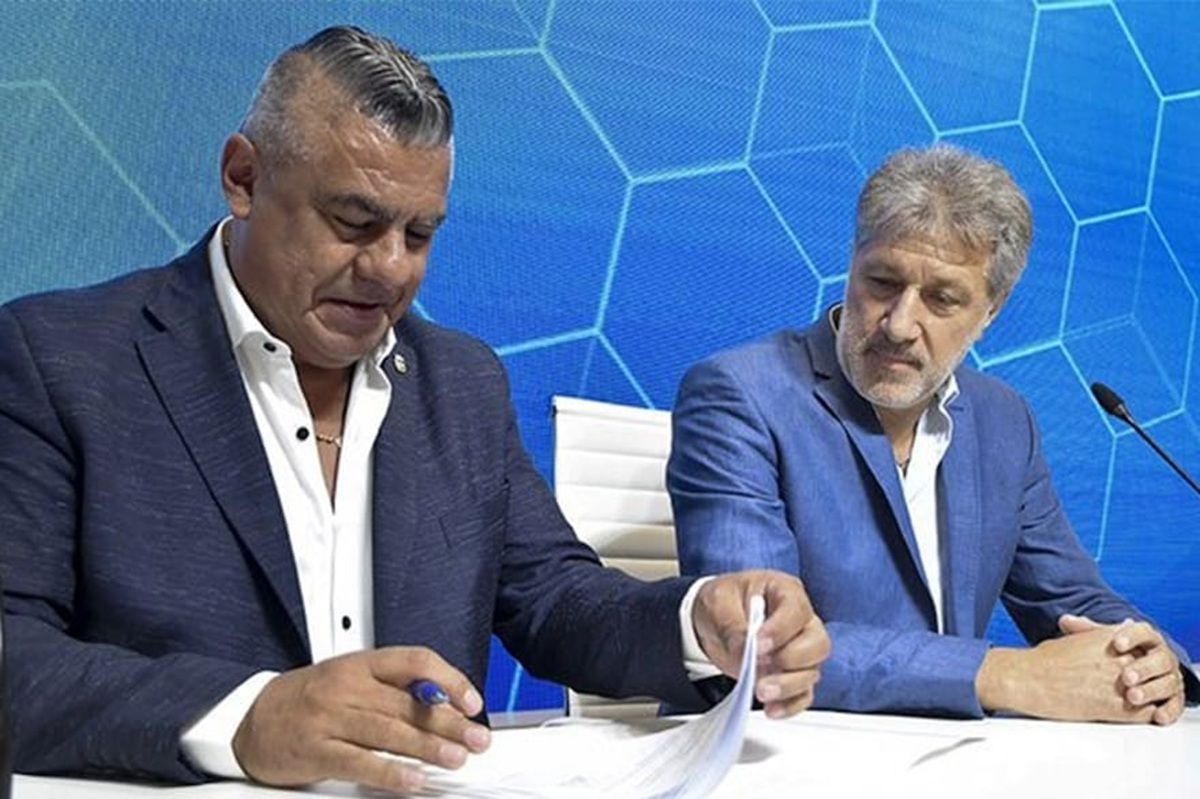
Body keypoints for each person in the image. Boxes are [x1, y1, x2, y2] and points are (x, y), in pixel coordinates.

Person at [0, 26, 830, 793]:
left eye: (420, 234)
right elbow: (15, 650)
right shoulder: (60, 360)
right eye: (353, 222)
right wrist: (250, 715)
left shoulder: (461, 383)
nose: (391, 269)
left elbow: (554, 599)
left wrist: (700, 622)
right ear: (244, 178)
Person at [668, 144, 1198, 725]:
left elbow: (1071, 599)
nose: (899, 324)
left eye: (941, 299)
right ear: (852, 262)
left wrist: (1153, 663)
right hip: (787, 746)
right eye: (881, 281)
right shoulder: (739, 393)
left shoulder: (1004, 420)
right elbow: (760, 640)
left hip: (953, 756)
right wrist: (1005, 674)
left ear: (991, 311)